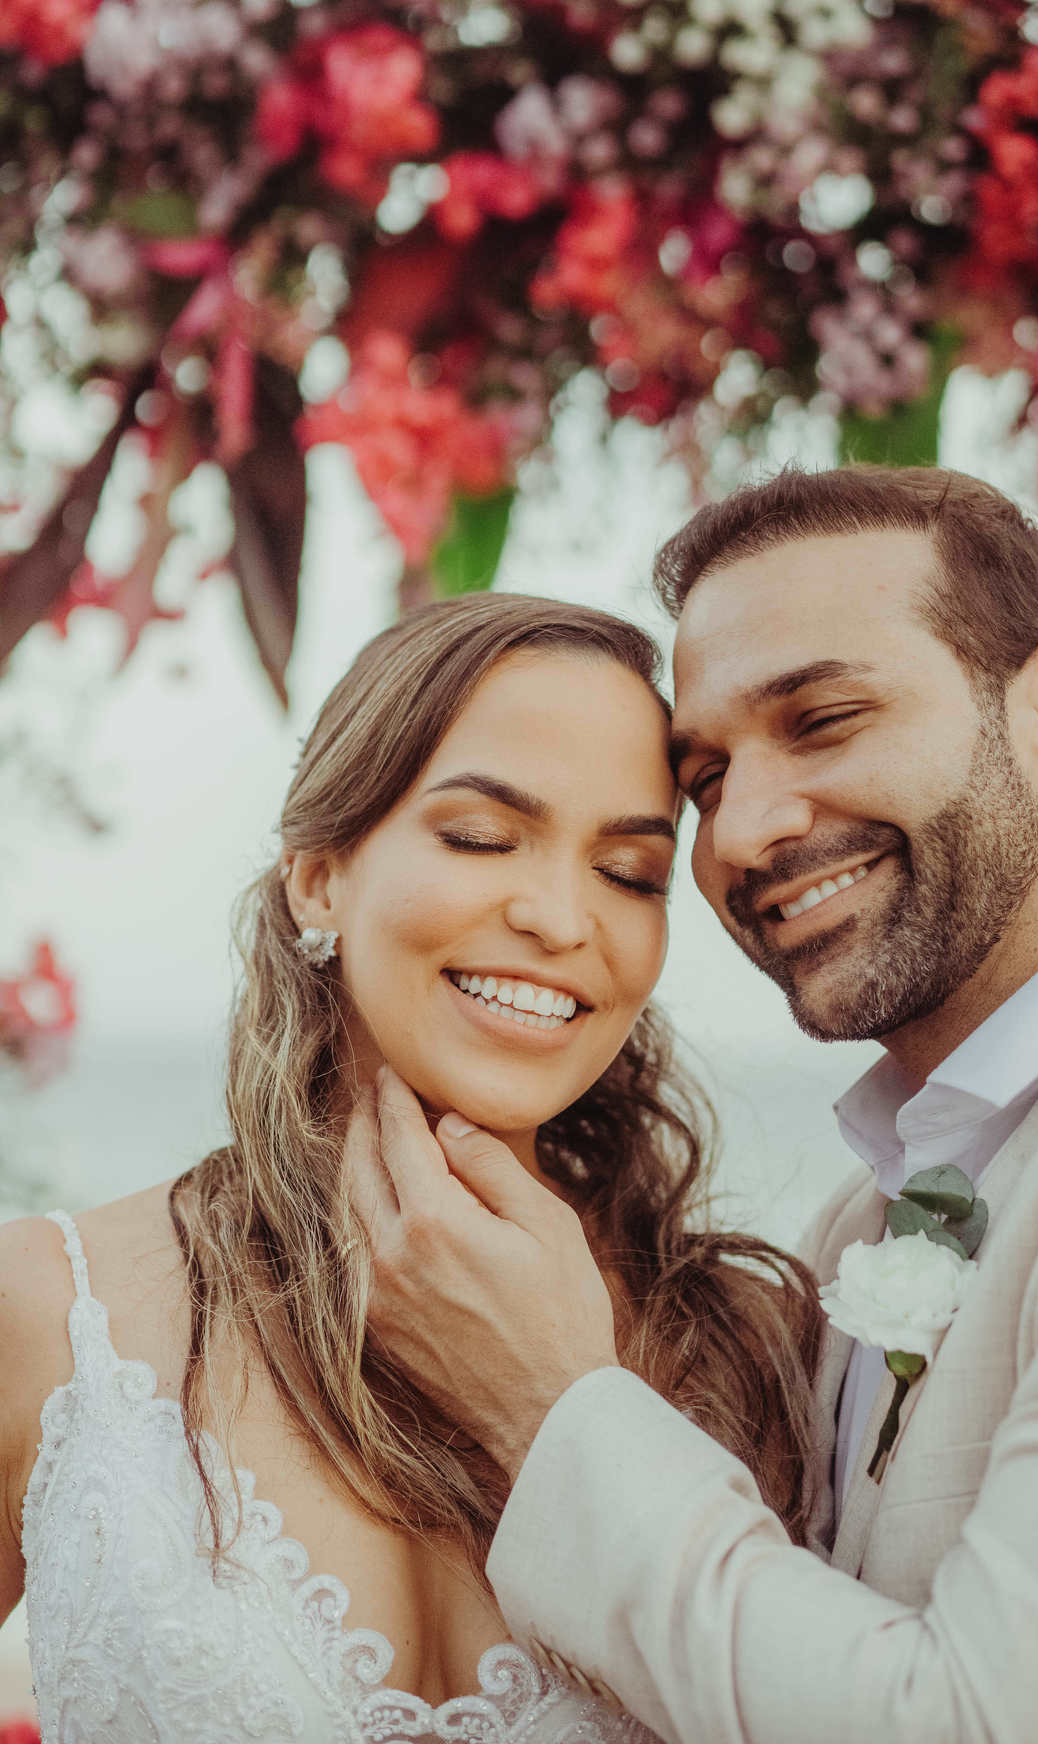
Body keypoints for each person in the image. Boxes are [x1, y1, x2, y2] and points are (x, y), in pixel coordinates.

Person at [350, 466, 1038, 1742]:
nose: (742, 833)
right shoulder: (857, 1229)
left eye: (823, 719)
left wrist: (552, 1408)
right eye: (703, 779)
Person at [0, 593, 825, 1742]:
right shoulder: (52, 1307)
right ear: (319, 877)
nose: (557, 916)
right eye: (483, 838)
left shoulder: (752, 1344)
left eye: (630, 871)